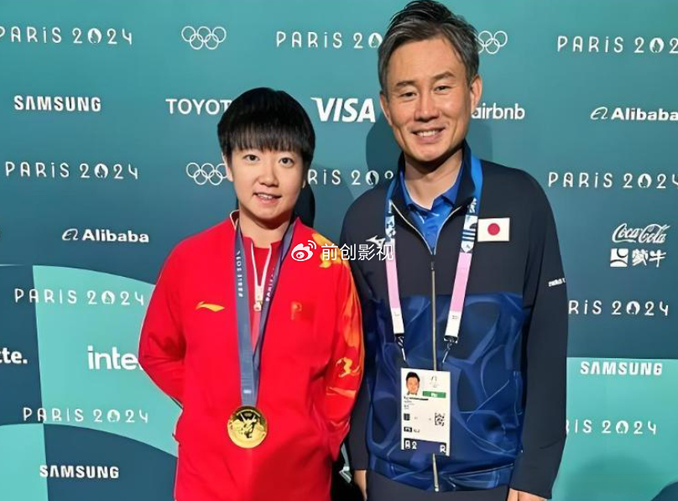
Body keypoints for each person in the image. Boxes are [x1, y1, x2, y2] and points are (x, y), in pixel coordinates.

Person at [341, 2, 568, 500]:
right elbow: (356, 356)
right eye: (407, 92)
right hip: (390, 479)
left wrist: (535, 475)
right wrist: (360, 457)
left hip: (495, 482)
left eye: (442, 87)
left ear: (473, 91)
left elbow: (547, 346)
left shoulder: (521, 201)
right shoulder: (363, 218)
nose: (425, 110)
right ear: (386, 107)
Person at [139, 87, 364, 501]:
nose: (269, 177)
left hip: (299, 478)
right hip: (206, 478)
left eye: (285, 160)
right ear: (227, 164)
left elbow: (346, 367)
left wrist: (319, 434)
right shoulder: (189, 258)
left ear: (304, 171)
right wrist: (208, 401)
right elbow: (156, 351)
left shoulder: (328, 262)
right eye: (252, 157)